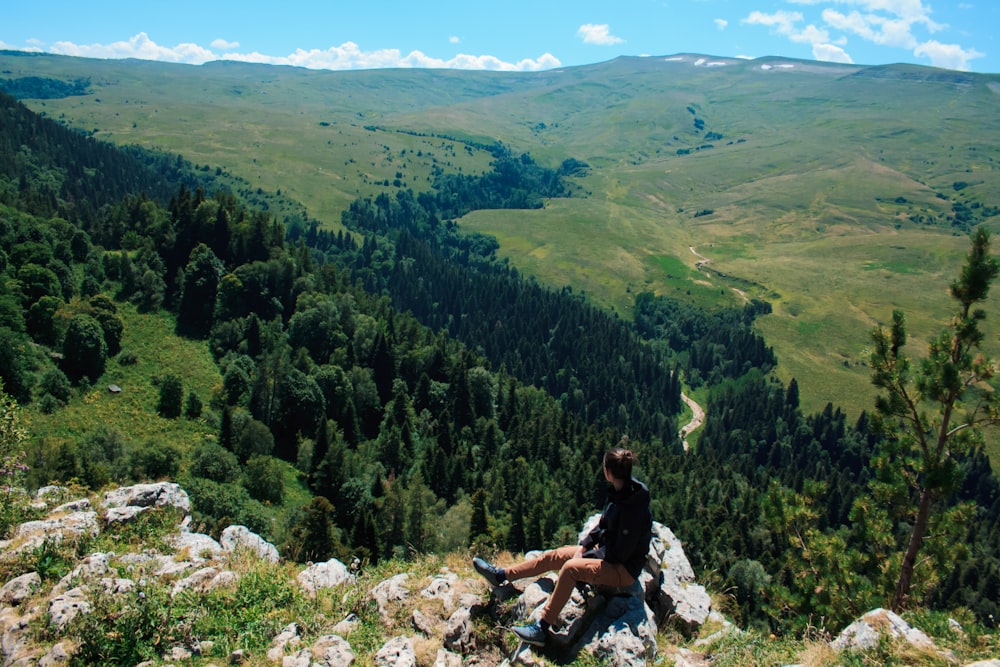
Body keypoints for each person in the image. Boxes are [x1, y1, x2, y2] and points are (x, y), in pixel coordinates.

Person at [473, 444, 653, 647]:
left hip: (623, 569)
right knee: (557, 555)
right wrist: (584, 546)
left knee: (569, 569)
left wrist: (587, 557)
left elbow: (619, 554)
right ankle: (501, 575)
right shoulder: (620, 492)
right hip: (607, 553)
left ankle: (542, 627)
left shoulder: (632, 510)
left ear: (608, 472)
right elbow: (603, 524)